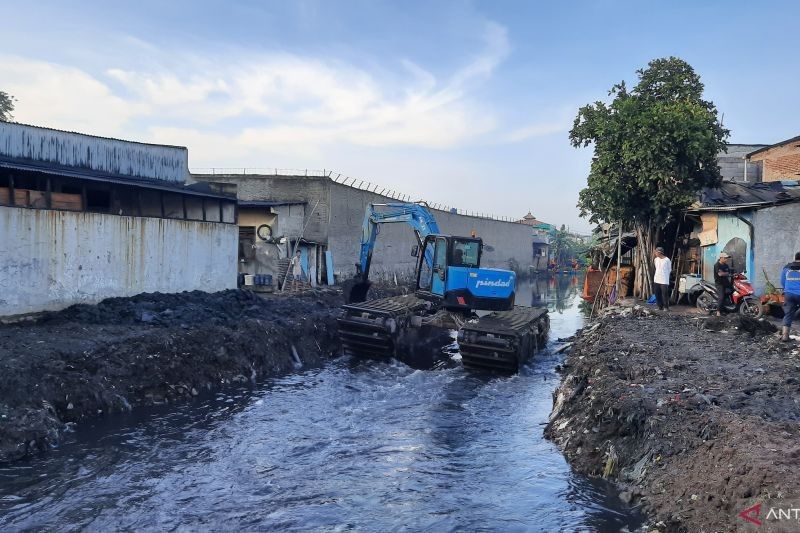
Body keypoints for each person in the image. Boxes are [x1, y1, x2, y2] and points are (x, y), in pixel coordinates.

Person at [780, 251, 800, 341]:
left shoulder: (786, 268)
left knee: (788, 314)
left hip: (789, 294)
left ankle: (785, 336)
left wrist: (787, 289)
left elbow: (782, 281)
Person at [713, 252, 733, 316]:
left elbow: (728, 272)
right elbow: (720, 274)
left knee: (732, 292)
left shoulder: (726, 265)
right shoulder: (717, 265)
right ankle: (718, 312)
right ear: (721, 258)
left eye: (727, 258)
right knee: (721, 297)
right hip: (719, 284)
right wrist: (726, 273)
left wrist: (731, 274)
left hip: (726, 283)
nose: (726, 259)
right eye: (725, 258)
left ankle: (726, 309)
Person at [653, 247, 671, 311]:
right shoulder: (656, 259)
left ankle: (666, 307)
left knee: (664, 294)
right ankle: (659, 306)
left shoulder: (667, 260)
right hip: (657, 279)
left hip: (664, 279)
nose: (655, 253)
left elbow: (669, 269)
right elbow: (656, 268)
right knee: (657, 294)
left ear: (659, 252)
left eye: (656, 252)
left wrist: (665, 275)